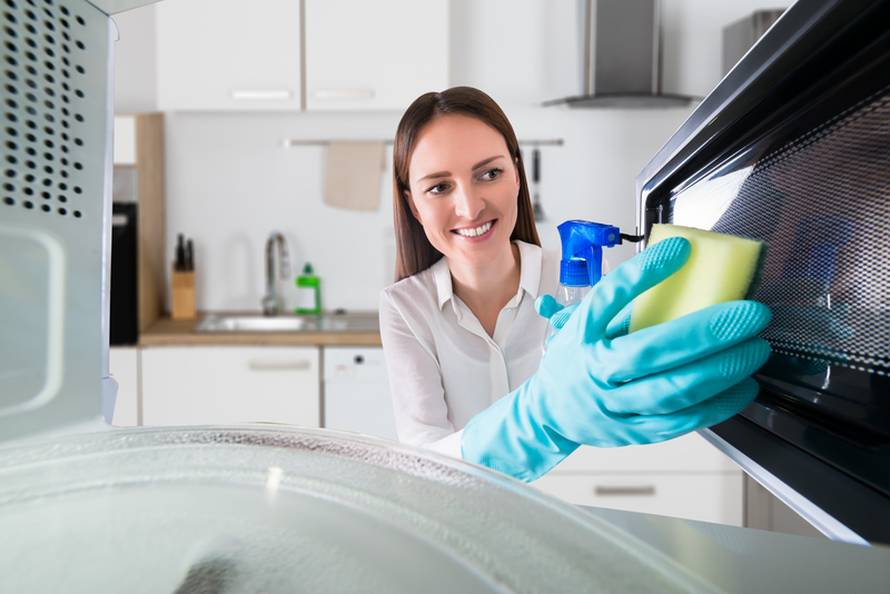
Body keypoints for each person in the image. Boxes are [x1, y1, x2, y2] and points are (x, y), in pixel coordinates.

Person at [379, 86, 771, 482]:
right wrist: (541, 418)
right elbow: (422, 463)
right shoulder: (404, 306)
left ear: (517, 176)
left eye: (489, 173)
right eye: (439, 187)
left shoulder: (585, 291)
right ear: (414, 204)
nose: (470, 206)